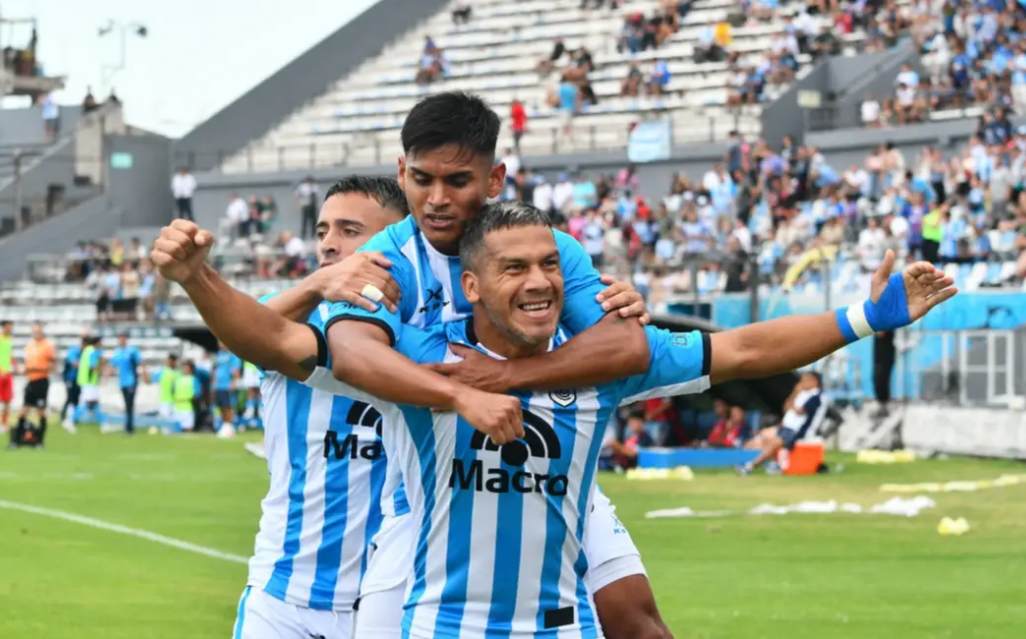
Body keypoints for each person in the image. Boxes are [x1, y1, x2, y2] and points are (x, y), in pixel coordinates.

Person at [155, 199, 956, 639]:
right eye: (513, 268)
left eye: (548, 264)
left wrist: (867, 314)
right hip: (440, 628)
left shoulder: (601, 368)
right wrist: (199, 278)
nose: (539, 282)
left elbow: (742, 349)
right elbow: (280, 342)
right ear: (471, 288)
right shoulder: (422, 366)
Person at [322, 92, 668, 639]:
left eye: (457, 181)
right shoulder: (384, 258)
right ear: (401, 171)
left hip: (554, 478)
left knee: (640, 625)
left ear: (494, 179)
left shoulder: (541, 245)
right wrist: (462, 395)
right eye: (420, 178)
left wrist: (507, 377)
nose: (436, 199)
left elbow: (625, 348)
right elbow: (351, 352)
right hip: (428, 496)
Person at [739, 372, 826, 474]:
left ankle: (750, 466)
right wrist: (794, 393)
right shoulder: (802, 394)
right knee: (765, 434)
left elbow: (800, 411)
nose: (801, 383)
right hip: (786, 427)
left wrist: (794, 401)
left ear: (814, 382)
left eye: (804, 380)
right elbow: (786, 407)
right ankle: (774, 463)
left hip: (797, 430)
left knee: (775, 442)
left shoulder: (816, 397)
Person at [15, 322, 56, 447]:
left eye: (38, 331)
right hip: (30, 381)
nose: (36, 333)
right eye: (34, 331)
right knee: (23, 410)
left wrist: (33, 368)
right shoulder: (30, 346)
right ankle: (16, 440)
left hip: (41, 381)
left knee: (41, 412)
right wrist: (24, 369)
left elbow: (51, 367)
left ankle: (40, 441)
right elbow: (27, 364)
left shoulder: (48, 346)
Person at [109, 332, 146, 435]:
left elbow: (141, 362)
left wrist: (144, 374)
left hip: (131, 381)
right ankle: (128, 426)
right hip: (122, 382)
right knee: (126, 404)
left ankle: (129, 427)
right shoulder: (117, 352)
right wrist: (106, 377)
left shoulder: (132, 351)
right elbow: (113, 365)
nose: (122, 340)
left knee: (129, 404)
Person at [73, 336, 103, 430]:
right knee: (86, 402)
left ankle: (104, 423)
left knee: (95, 402)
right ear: (97, 343)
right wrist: (100, 371)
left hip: (85, 381)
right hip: (89, 381)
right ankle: (71, 420)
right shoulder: (93, 351)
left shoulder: (86, 350)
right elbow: (92, 366)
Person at [212, 343, 242, 431]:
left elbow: (236, 371)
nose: (221, 345)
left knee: (228, 406)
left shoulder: (233, 355)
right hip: (218, 386)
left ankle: (230, 426)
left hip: (227, 385)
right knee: (221, 406)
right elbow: (215, 370)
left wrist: (233, 383)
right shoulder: (218, 355)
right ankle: (225, 426)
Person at [60, 335, 85, 431]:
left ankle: (73, 418)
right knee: (70, 398)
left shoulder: (84, 353)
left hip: (79, 379)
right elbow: (74, 364)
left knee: (76, 399)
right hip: (70, 378)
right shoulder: (74, 351)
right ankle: (64, 416)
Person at [172, 360, 197, 432]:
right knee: (176, 429)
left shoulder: (193, 379)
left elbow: (197, 394)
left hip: (187, 408)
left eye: (187, 367)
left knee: (188, 429)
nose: (185, 369)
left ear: (191, 369)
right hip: (177, 408)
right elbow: (173, 391)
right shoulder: (177, 380)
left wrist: (190, 400)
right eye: (184, 367)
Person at [156, 354, 178, 425]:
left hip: (177, 402)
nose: (170, 362)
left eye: (172, 361)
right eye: (169, 361)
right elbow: (148, 381)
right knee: (165, 424)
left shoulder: (179, 373)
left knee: (174, 423)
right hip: (165, 401)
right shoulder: (162, 372)